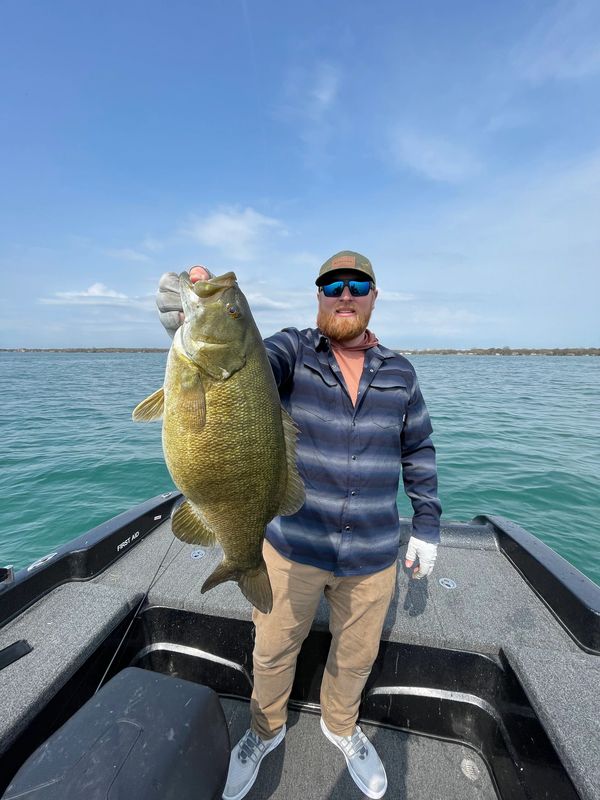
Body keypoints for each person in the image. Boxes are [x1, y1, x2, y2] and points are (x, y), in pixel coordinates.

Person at [157, 251, 441, 800]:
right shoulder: (290, 349)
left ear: (374, 296)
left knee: (356, 656)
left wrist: (427, 522)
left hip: (373, 554)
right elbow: (246, 366)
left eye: (357, 285)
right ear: (319, 297)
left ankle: (341, 726)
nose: (345, 294)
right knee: (272, 648)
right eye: (332, 285)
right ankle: (264, 731)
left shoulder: (401, 372)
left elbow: (419, 449)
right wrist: (185, 323)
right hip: (293, 548)